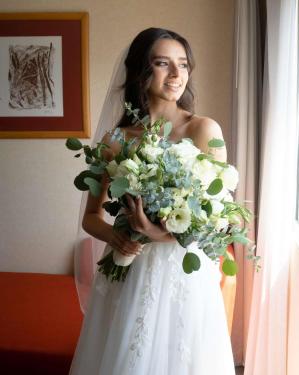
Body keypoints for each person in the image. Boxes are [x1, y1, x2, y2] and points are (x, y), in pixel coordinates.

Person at [69, 28, 236, 375]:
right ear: (139, 71)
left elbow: (220, 221)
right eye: (163, 63)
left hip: (184, 276)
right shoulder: (115, 140)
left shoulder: (204, 130)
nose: (177, 75)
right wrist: (116, 237)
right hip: (130, 271)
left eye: (183, 64)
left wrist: (157, 233)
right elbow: (91, 216)